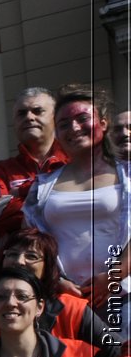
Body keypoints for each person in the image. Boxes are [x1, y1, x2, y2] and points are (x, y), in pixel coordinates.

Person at [22, 84, 131, 302]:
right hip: (66, 302)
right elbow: (30, 241)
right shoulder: (43, 185)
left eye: (82, 118)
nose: (74, 128)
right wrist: (54, 280)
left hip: (124, 296)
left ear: (103, 123)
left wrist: (114, 275)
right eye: (63, 124)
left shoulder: (128, 175)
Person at [0, 227, 119, 357]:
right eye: (12, 254)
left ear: (47, 267)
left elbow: (121, 355)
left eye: (31, 256)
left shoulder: (71, 309)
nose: (19, 261)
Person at [0, 88, 69, 237]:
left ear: (55, 118)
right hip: (23, 259)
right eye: (21, 113)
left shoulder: (75, 161)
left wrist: (22, 192)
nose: (29, 117)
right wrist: (58, 204)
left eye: (37, 111)